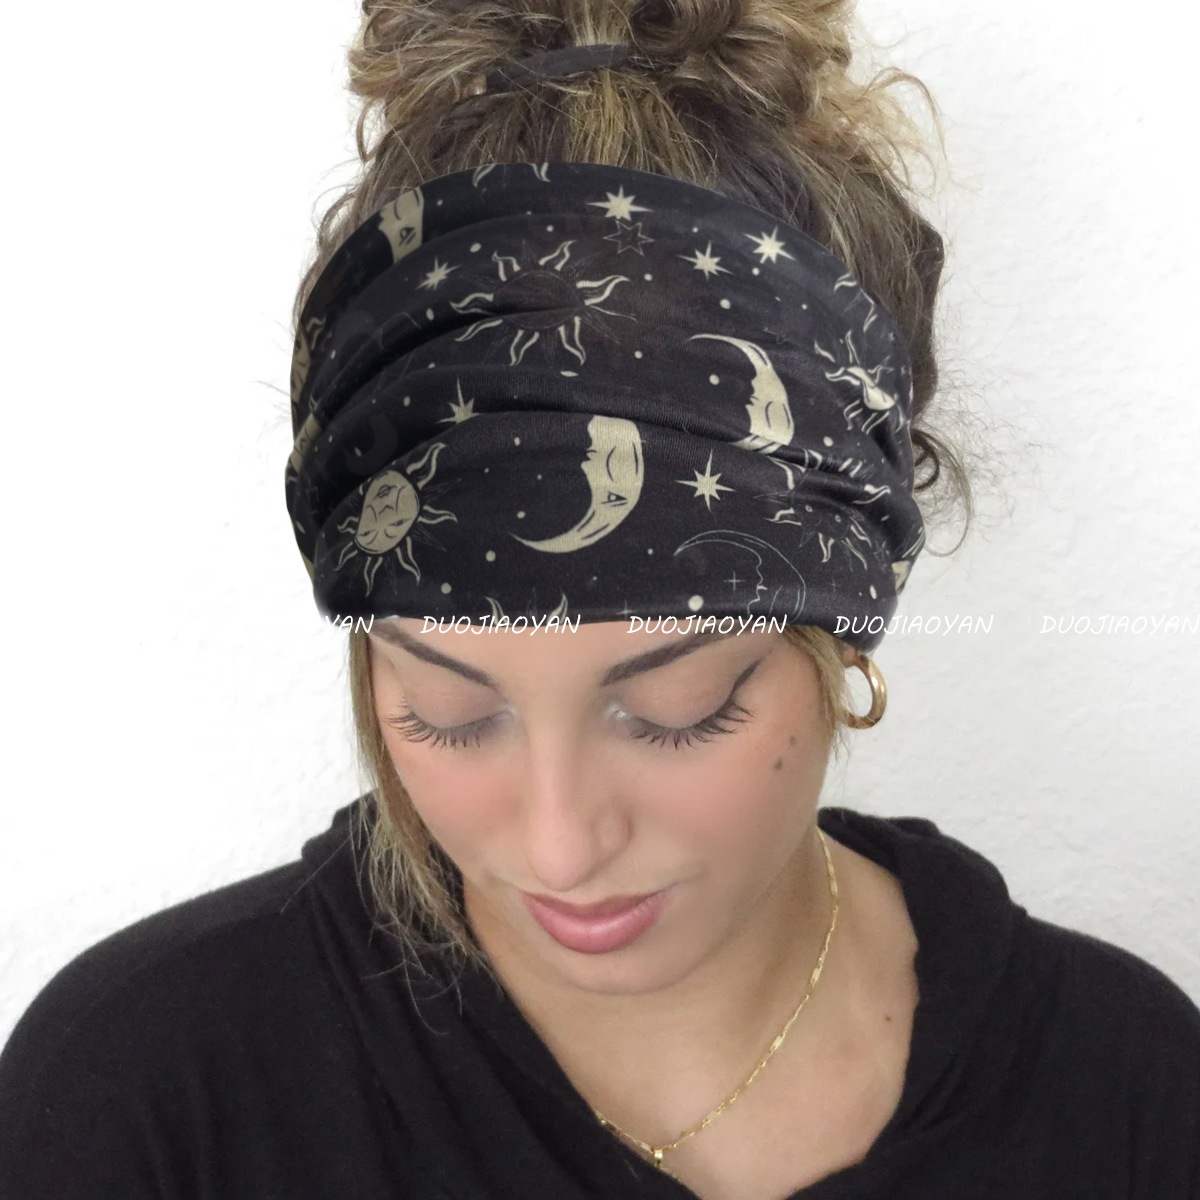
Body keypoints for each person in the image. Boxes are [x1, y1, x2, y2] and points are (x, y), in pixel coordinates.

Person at [1, 3, 1198, 1199]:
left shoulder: (1130, 1094)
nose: (561, 848)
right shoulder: (139, 1099)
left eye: (681, 710)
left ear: (843, 633)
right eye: (447, 713)